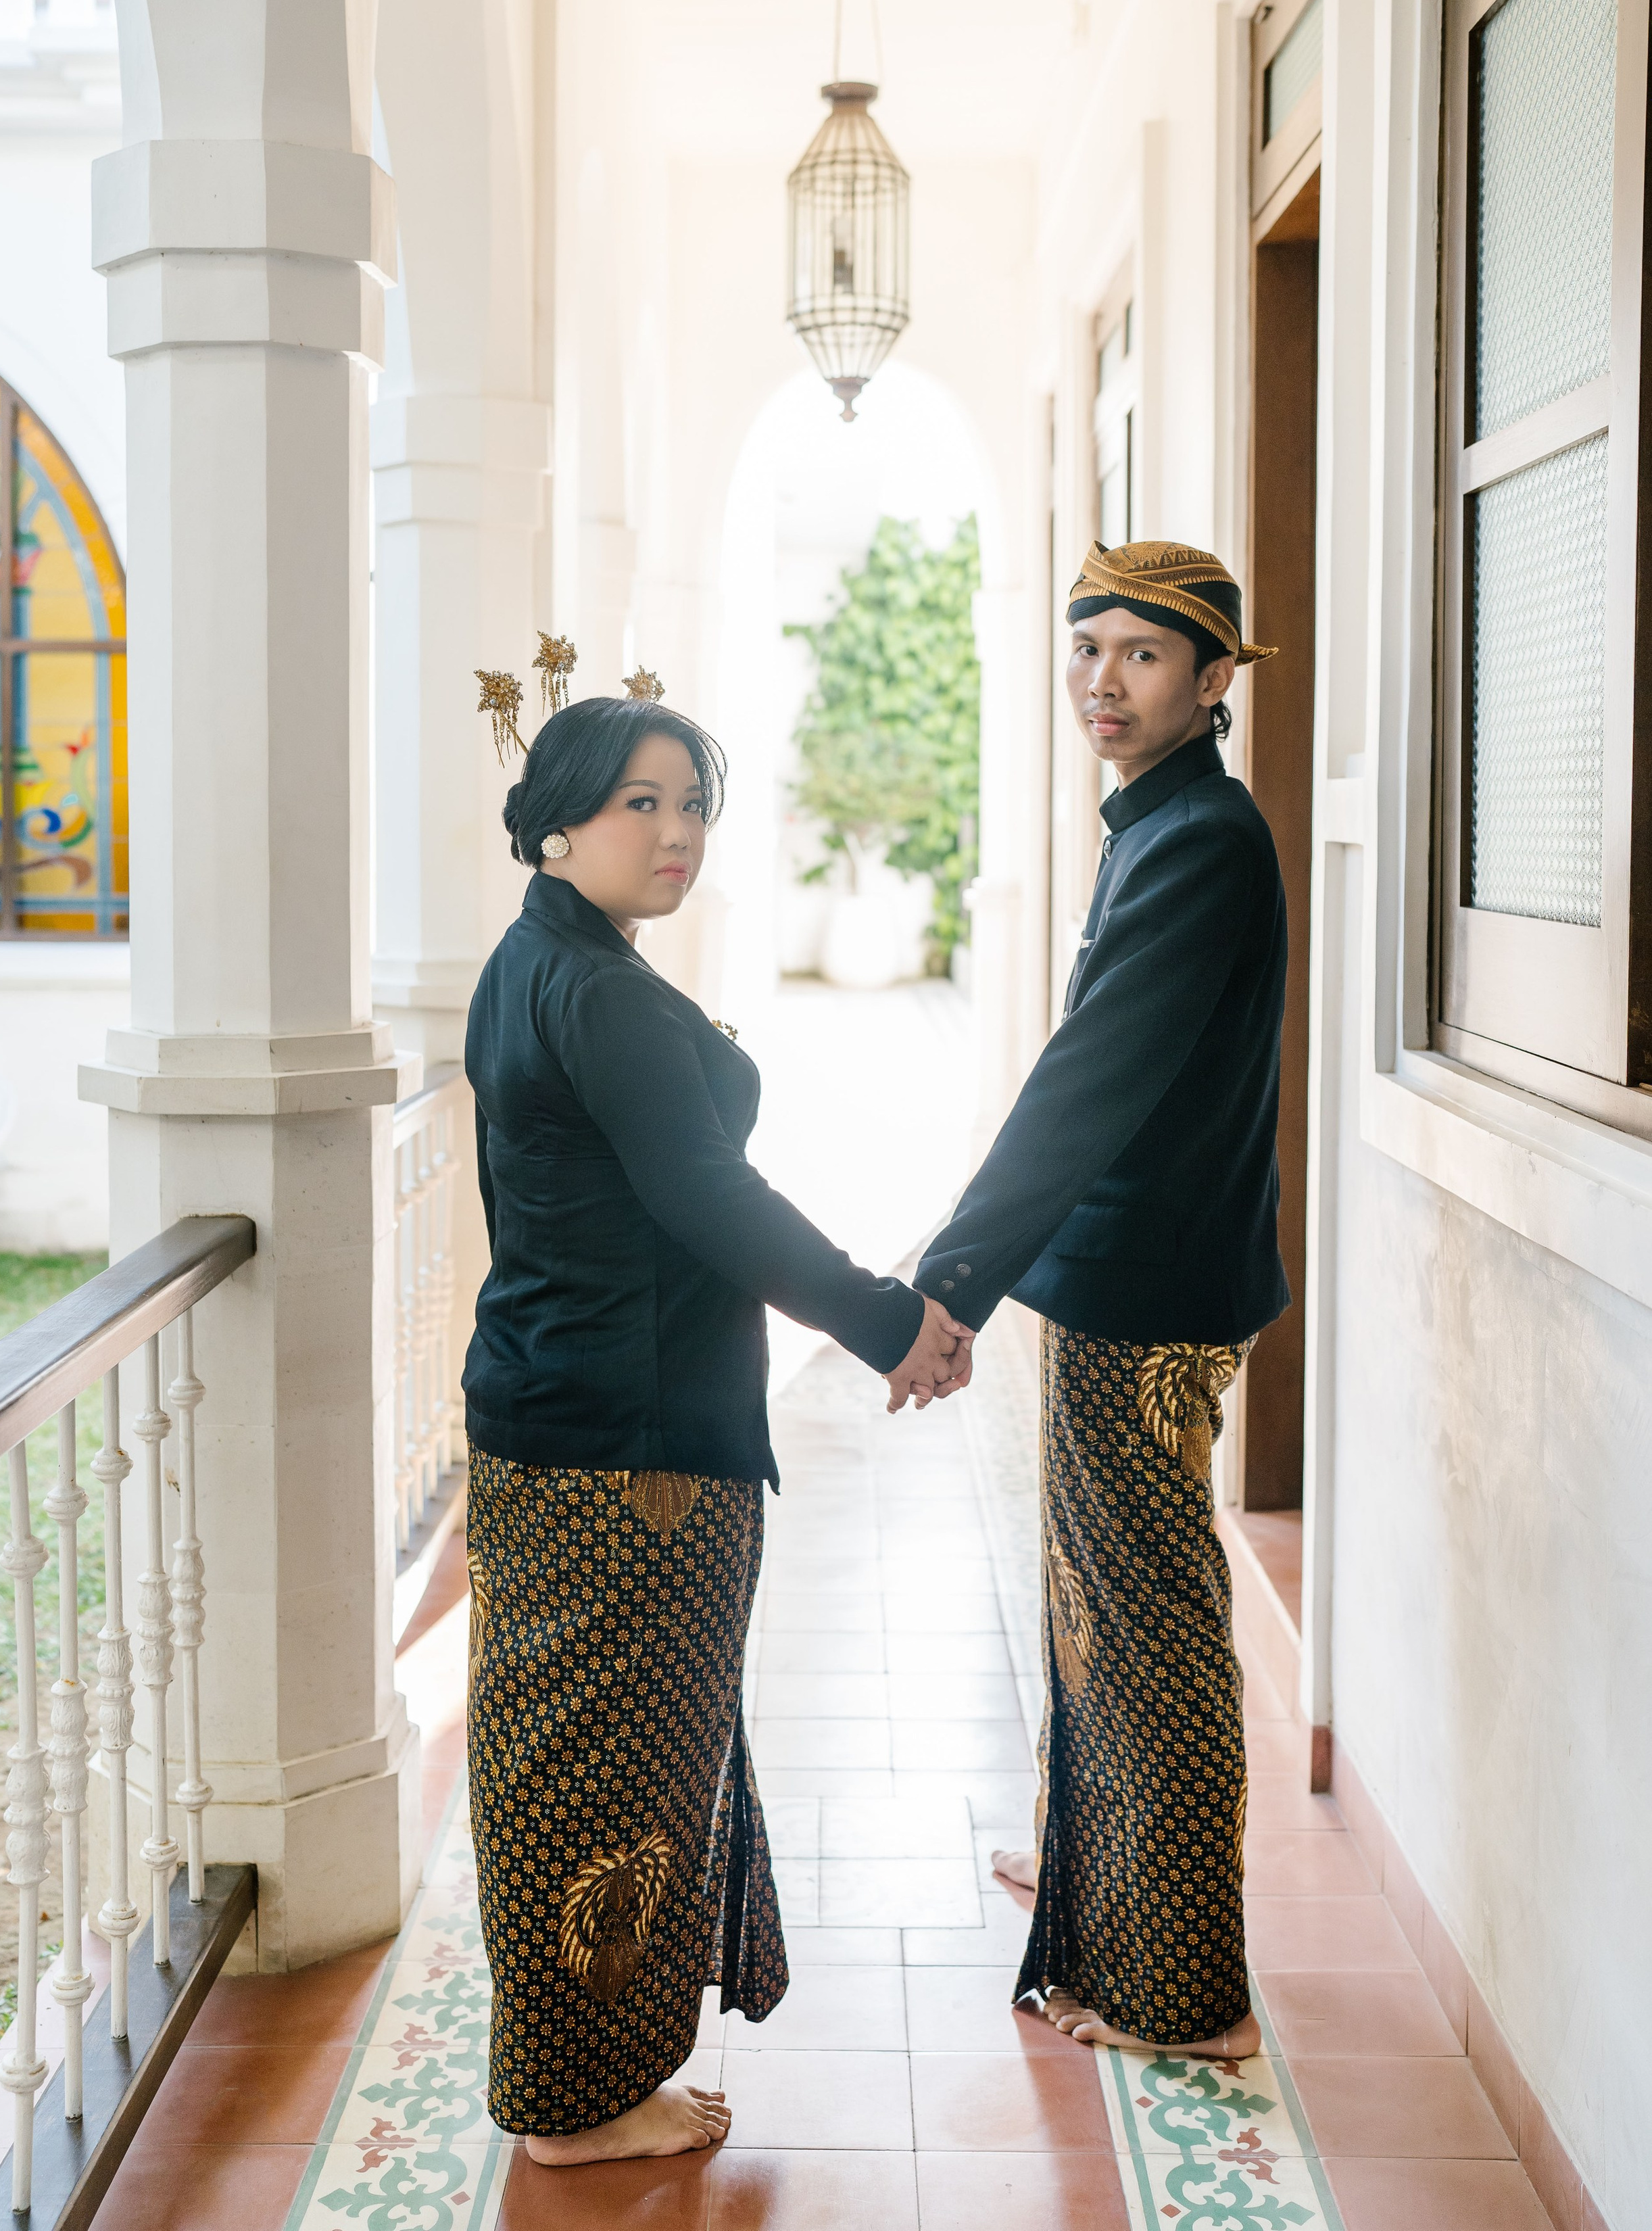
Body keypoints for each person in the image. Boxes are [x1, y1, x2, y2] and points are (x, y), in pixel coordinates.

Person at [462, 679, 971, 2169]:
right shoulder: (599, 989)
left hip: (560, 1413)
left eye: (693, 806)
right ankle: (575, 2102)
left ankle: (579, 2075)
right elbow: (711, 1202)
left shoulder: (539, 958)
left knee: (580, 1750)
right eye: (642, 803)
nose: (676, 834)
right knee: (603, 1762)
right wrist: (892, 1321)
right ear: (557, 819)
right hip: (626, 1448)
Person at [915, 538, 1288, 2059]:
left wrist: (946, 1284)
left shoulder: (1197, 836)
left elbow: (1085, 1085)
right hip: (1128, 1276)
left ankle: (1186, 1992)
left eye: (1141, 655)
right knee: (1096, 1595)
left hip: (1149, 1290)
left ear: (1210, 683)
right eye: (1087, 650)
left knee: (1146, 1620)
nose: (1102, 681)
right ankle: (1094, 1872)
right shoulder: (1154, 821)